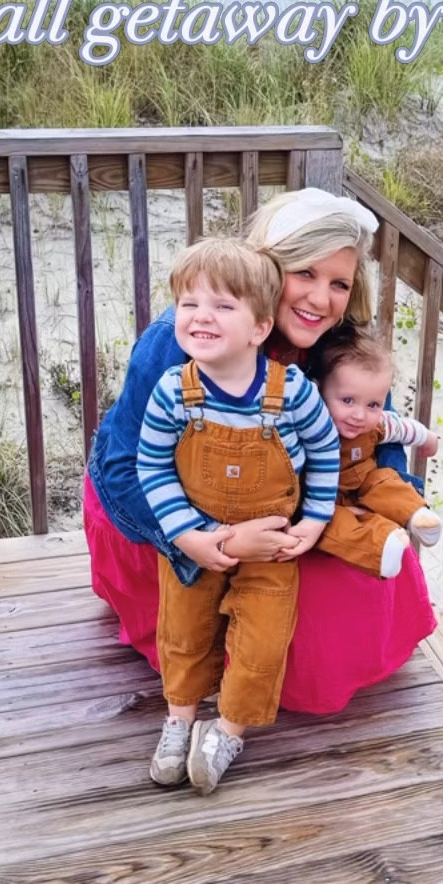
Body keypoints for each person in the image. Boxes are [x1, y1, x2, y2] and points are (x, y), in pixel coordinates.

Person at [84, 185, 437, 719]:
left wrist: (395, 503)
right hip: (165, 508)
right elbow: (122, 469)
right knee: (272, 610)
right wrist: (206, 540)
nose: (321, 299)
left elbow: (373, 443)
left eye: (339, 283)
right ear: (269, 266)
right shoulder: (184, 334)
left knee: (355, 582)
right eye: (305, 273)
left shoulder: (340, 343)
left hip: (284, 502)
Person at [137, 236, 339, 794]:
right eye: (189, 304)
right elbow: (151, 465)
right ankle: (179, 718)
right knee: (183, 632)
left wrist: (314, 521)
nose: (202, 316)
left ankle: (227, 730)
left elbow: (324, 455)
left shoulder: (292, 393)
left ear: (258, 329)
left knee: (262, 644)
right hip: (195, 541)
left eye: (223, 306)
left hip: (272, 545)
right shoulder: (171, 393)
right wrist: (192, 537)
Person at [316, 329, 443, 578]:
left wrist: (428, 439)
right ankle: (382, 549)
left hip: (364, 483)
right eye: (348, 401)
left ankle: (417, 515)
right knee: (329, 525)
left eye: (373, 404)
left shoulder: (377, 424)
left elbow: (403, 427)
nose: (360, 415)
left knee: (384, 479)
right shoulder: (313, 424)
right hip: (326, 498)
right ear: (320, 392)